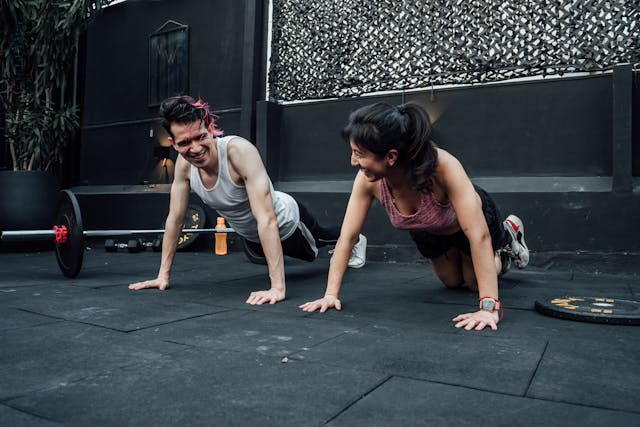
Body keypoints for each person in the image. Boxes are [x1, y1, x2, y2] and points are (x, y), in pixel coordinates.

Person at [300, 102, 529, 331]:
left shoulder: (443, 166)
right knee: (451, 282)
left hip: (464, 225)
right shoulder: (368, 181)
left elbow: (478, 235)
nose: (352, 161)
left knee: (472, 283)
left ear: (390, 156)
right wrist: (330, 295)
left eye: (359, 154)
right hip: (428, 231)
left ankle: (507, 241)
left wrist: (489, 308)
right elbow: (348, 236)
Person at [129, 95, 367, 304]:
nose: (195, 148)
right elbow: (175, 219)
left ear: (210, 128)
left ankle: (356, 239)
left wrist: (277, 288)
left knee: (315, 249)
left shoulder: (238, 152)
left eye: (200, 136)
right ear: (172, 143)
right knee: (266, 257)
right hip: (252, 236)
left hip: (286, 222)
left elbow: (267, 219)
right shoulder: (183, 167)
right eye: (184, 143)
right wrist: (163, 275)